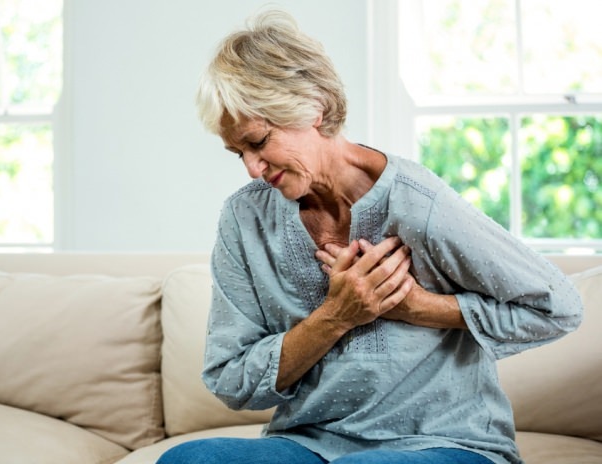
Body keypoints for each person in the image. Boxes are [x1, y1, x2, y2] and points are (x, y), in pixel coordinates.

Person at [157, 10, 583, 464]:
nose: (252, 169)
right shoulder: (245, 219)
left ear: (313, 108)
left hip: (443, 441)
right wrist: (337, 315)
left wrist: (417, 307)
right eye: (236, 152)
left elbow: (557, 307)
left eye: (258, 142)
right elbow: (231, 380)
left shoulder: (418, 204)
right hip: (309, 444)